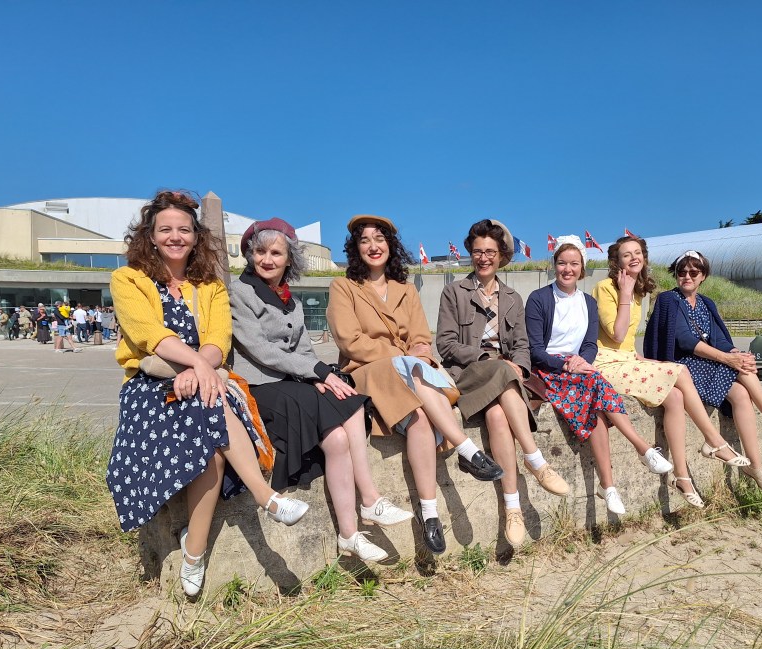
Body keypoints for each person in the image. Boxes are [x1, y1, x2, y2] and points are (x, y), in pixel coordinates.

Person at [108, 190, 308, 597]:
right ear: (150, 235)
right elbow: (149, 335)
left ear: (197, 237)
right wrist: (198, 366)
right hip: (150, 384)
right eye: (165, 229)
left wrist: (202, 368)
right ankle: (265, 496)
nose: (175, 236)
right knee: (212, 408)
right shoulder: (127, 279)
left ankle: (193, 551)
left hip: (204, 381)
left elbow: (218, 337)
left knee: (211, 444)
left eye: (184, 229)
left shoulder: (210, 285)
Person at [231, 217, 412, 564]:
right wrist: (316, 373)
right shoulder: (239, 292)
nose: (267, 259)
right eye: (260, 252)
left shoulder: (293, 303)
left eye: (276, 253)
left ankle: (350, 534)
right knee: (345, 402)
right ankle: (371, 498)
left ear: (289, 260)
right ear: (251, 254)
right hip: (260, 385)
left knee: (343, 422)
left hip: (291, 383)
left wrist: (323, 374)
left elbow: (304, 352)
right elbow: (260, 350)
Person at [327, 215, 502, 556]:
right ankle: (467, 450)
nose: (374, 246)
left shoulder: (406, 290)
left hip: (411, 375)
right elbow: (351, 342)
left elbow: (422, 339)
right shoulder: (343, 287)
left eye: (380, 239)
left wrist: (416, 352)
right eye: (365, 240)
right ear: (355, 248)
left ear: (390, 245)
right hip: (367, 371)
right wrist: (402, 354)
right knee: (411, 366)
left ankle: (429, 514)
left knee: (421, 421)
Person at [436, 219, 569, 548]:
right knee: (502, 369)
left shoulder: (512, 297)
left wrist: (517, 366)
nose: (483, 258)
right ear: (471, 253)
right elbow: (446, 344)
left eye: (490, 252)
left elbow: (523, 346)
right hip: (469, 373)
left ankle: (512, 508)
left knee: (498, 417)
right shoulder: (454, 292)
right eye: (478, 251)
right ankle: (535, 459)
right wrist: (490, 360)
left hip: (506, 378)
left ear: (501, 256)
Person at [592, 236, 749, 508]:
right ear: (616, 262)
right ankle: (714, 441)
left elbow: (627, 343)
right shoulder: (606, 287)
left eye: (638, 253)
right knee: (681, 371)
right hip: (604, 363)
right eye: (626, 254)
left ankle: (682, 476)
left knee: (675, 398)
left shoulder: (641, 291)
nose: (633, 258)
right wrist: (625, 294)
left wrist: (639, 357)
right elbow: (616, 335)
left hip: (627, 360)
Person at [525, 239, 673, 519]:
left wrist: (582, 361)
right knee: (597, 383)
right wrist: (566, 364)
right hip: (549, 368)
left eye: (574, 264)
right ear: (554, 266)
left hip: (579, 368)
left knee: (596, 406)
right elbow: (534, 349)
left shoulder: (588, 302)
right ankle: (641, 448)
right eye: (562, 263)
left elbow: (591, 345)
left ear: (582, 269)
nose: (567, 269)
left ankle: (609, 486)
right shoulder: (539, 299)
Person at [645, 250, 762, 494]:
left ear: (703, 276)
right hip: (683, 368)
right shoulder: (669, 299)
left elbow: (720, 339)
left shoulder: (706, 303)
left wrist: (737, 354)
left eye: (694, 272)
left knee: (742, 392)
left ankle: (756, 466)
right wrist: (728, 358)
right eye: (682, 272)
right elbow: (682, 340)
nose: (687, 276)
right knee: (740, 369)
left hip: (706, 366)